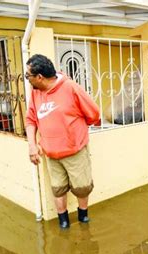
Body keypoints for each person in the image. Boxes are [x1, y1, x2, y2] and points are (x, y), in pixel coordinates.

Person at [25, 54, 100, 229]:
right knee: (58, 188)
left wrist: (75, 131)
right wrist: (32, 146)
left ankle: (83, 217)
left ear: (39, 77)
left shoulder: (70, 88)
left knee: (82, 186)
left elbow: (94, 114)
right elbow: (31, 120)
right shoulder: (35, 93)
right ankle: (63, 221)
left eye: (28, 75)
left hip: (75, 151)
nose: (27, 79)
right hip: (51, 153)